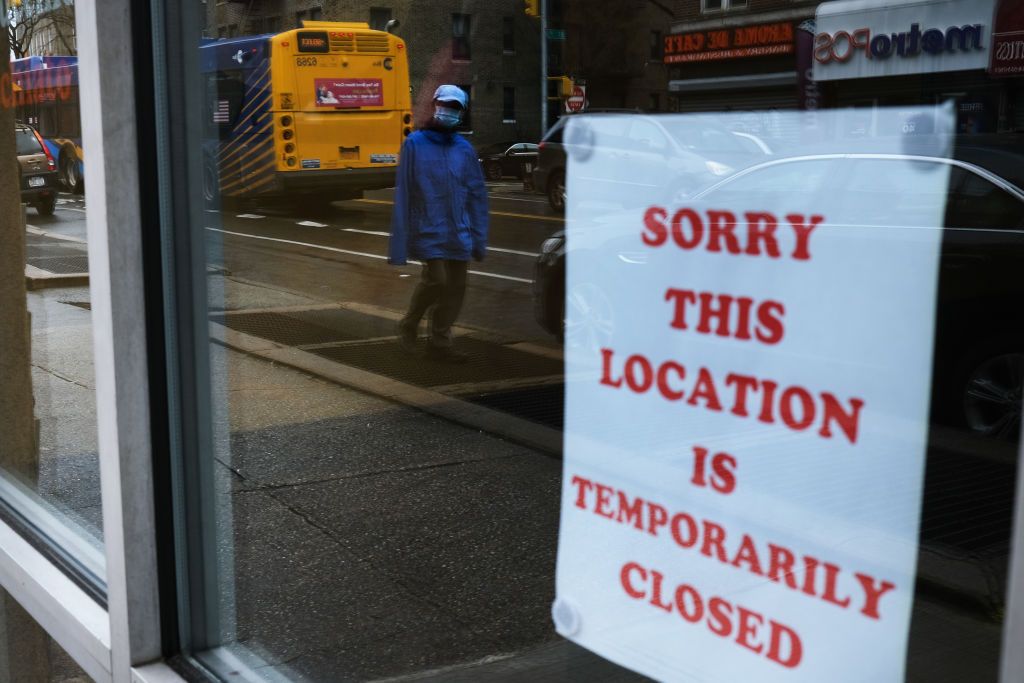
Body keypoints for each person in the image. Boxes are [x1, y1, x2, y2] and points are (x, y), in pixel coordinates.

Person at [388, 84, 489, 363]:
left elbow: (477, 195)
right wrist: (399, 245)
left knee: (456, 288)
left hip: (459, 232)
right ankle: (411, 322)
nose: (449, 111)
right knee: (437, 280)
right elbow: (404, 193)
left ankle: (439, 341)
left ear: (462, 112)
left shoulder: (464, 150)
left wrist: (479, 238)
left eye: (456, 107)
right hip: (427, 229)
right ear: (435, 105)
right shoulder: (414, 144)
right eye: (446, 105)